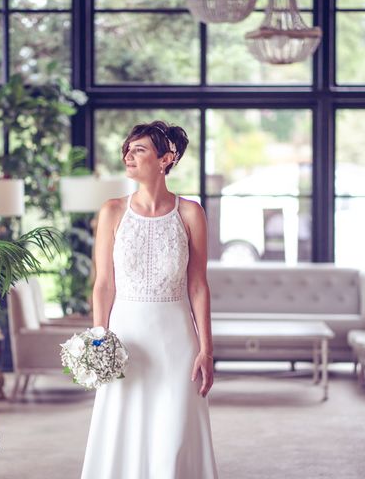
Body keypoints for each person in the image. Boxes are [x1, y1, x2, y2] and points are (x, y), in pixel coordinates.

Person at [81, 121, 219, 479]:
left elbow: (199, 286)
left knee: (174, 428)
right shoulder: (112, 211)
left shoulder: (190, 213)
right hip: (126, 336)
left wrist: (206, 348)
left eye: (139, 149)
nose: (128, 155)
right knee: (122, 424)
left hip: (176, 338)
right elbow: (104, 284)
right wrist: (99, 338)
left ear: (166, 159)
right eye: (127, 149)